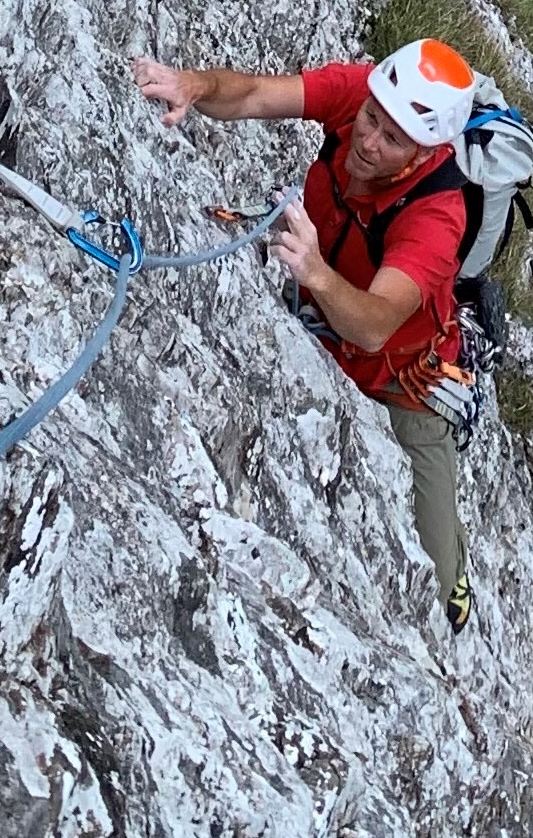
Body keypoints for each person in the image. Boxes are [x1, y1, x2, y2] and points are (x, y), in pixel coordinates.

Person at [133, 35, 481, 630]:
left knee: (437, 576)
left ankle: (456, 584)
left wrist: (315, 270)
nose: (368, 141)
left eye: (392, 139)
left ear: (425, 153)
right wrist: (195, 84)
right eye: (372, 120)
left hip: (403, 378)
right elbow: (253, 96)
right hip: (321, 321)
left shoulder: (436, 216)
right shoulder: (361, 94)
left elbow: (374, 326)